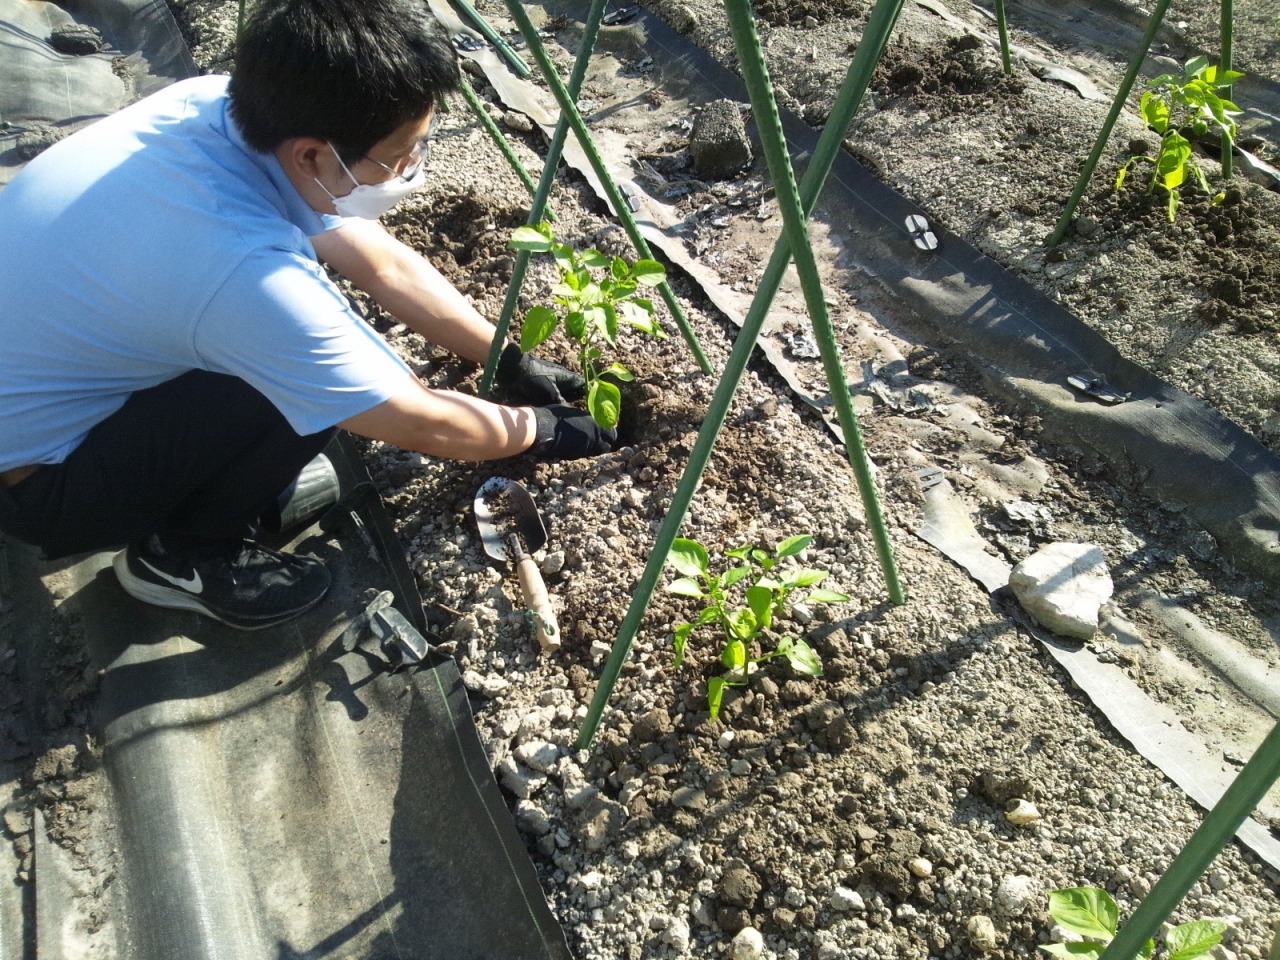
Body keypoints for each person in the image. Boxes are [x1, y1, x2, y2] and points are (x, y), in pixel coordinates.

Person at [0, 0, 618, 630]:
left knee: (298, 353)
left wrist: (508, 356)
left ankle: (209, 485)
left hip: (40, 391)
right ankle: (183, 555)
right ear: (312, 155)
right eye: (397, 155)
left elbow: (382, 265)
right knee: (303, 384)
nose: (410, 167)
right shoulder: (240, 270)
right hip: (38, 486)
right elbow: (417, 420)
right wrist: (547, 430)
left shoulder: (214, 108)